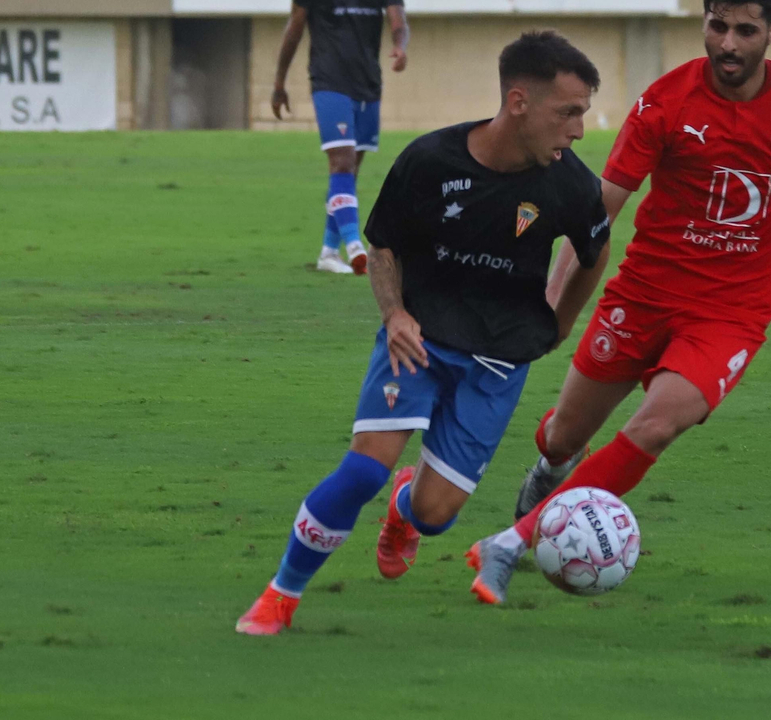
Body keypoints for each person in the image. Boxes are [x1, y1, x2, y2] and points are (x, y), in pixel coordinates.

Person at [463, 0, 771, 605]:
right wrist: (550, 302)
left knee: (657, 425)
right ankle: (553, 471)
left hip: (731, 315)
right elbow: (597, 215)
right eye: (717, 26)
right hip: (642, 297)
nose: (728, 43)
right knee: (564, 436)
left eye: (746, 31)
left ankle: (512, 540)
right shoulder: (664, 103)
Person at [235, 31, 613, 635]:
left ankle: (406, 507)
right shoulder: (432, 161)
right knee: (362, 471)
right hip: (420, 339)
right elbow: (382, 246)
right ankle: (282, 593)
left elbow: (594, 250)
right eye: (568, 112)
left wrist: (557, 325)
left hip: (498, 359)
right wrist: (395, 315)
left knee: (435, 517)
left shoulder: (570, 185)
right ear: (519, 103)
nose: (579, 130)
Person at [272, 0, 409, 276]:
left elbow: (398, 19)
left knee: (348, 173)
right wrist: (279, 81)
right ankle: (354, 249)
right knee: (342, 161)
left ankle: (328, 253)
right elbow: (294, 30)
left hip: (369, 84)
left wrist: (400, 46)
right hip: (329, 82)